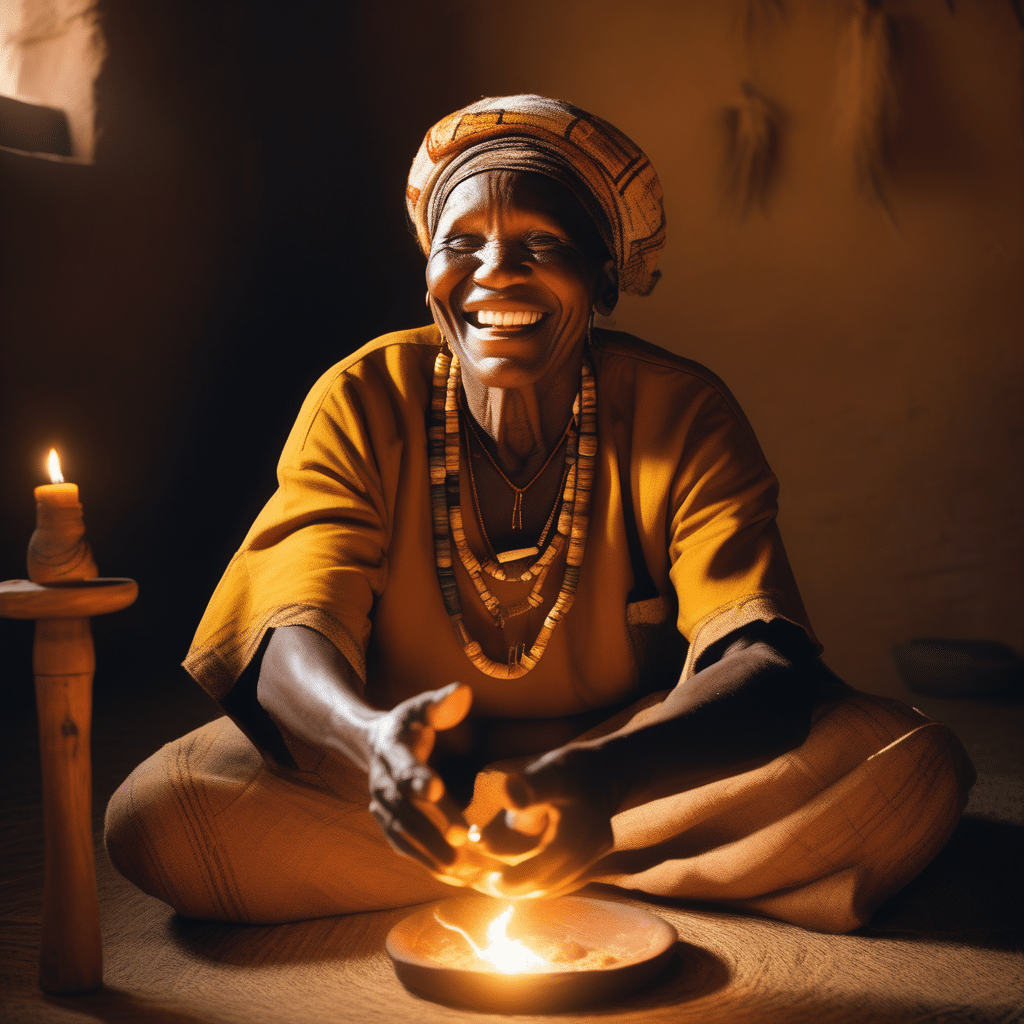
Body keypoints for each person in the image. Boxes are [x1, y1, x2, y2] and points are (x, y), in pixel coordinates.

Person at [105, 94, 973, 933]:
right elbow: (289, 628)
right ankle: (589, 864)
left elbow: (764, 661)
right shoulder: (362, 396)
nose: (494, 273)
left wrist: (594, 779)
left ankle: (526, 849)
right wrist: (371, 743)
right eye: (463, 243)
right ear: (429, 275)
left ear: (604, 278)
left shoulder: (683, 411)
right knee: (160, 814)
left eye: (541, 243)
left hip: (629, 774)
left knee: (909, 767)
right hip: (409, 782)